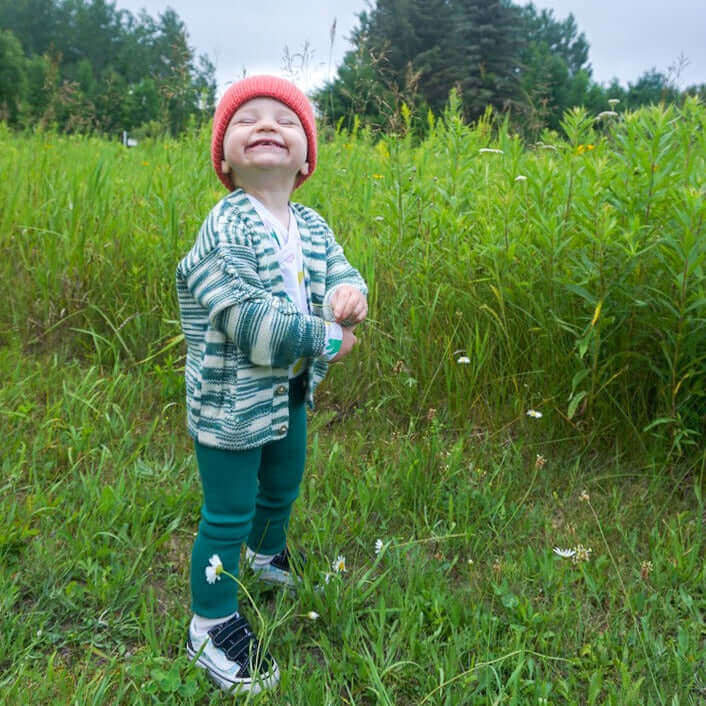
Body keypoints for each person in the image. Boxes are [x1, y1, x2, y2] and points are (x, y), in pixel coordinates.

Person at [175, 75, 368, 695]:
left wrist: (349, 296)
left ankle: (265, 554)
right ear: (224, 159)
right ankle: (210, 621)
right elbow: (249, 323)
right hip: (231, 401)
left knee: (282, 484)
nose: (265, 126)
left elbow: (342, 272)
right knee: (228, 509)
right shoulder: (225, 227)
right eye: (245, 119)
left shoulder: (309, 225)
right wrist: (329, 338)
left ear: (306, 156)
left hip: (288, 392)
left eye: (284, 120)